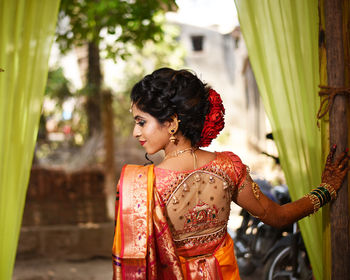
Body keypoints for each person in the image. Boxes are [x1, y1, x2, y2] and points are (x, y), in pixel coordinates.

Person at [112, 68, 349, 280]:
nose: (135, 132)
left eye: (141, 122)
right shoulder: (228, 167)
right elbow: (278, 216)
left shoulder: (142, 186)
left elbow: (134, 262)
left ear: (172, 122)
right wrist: (326, 189)